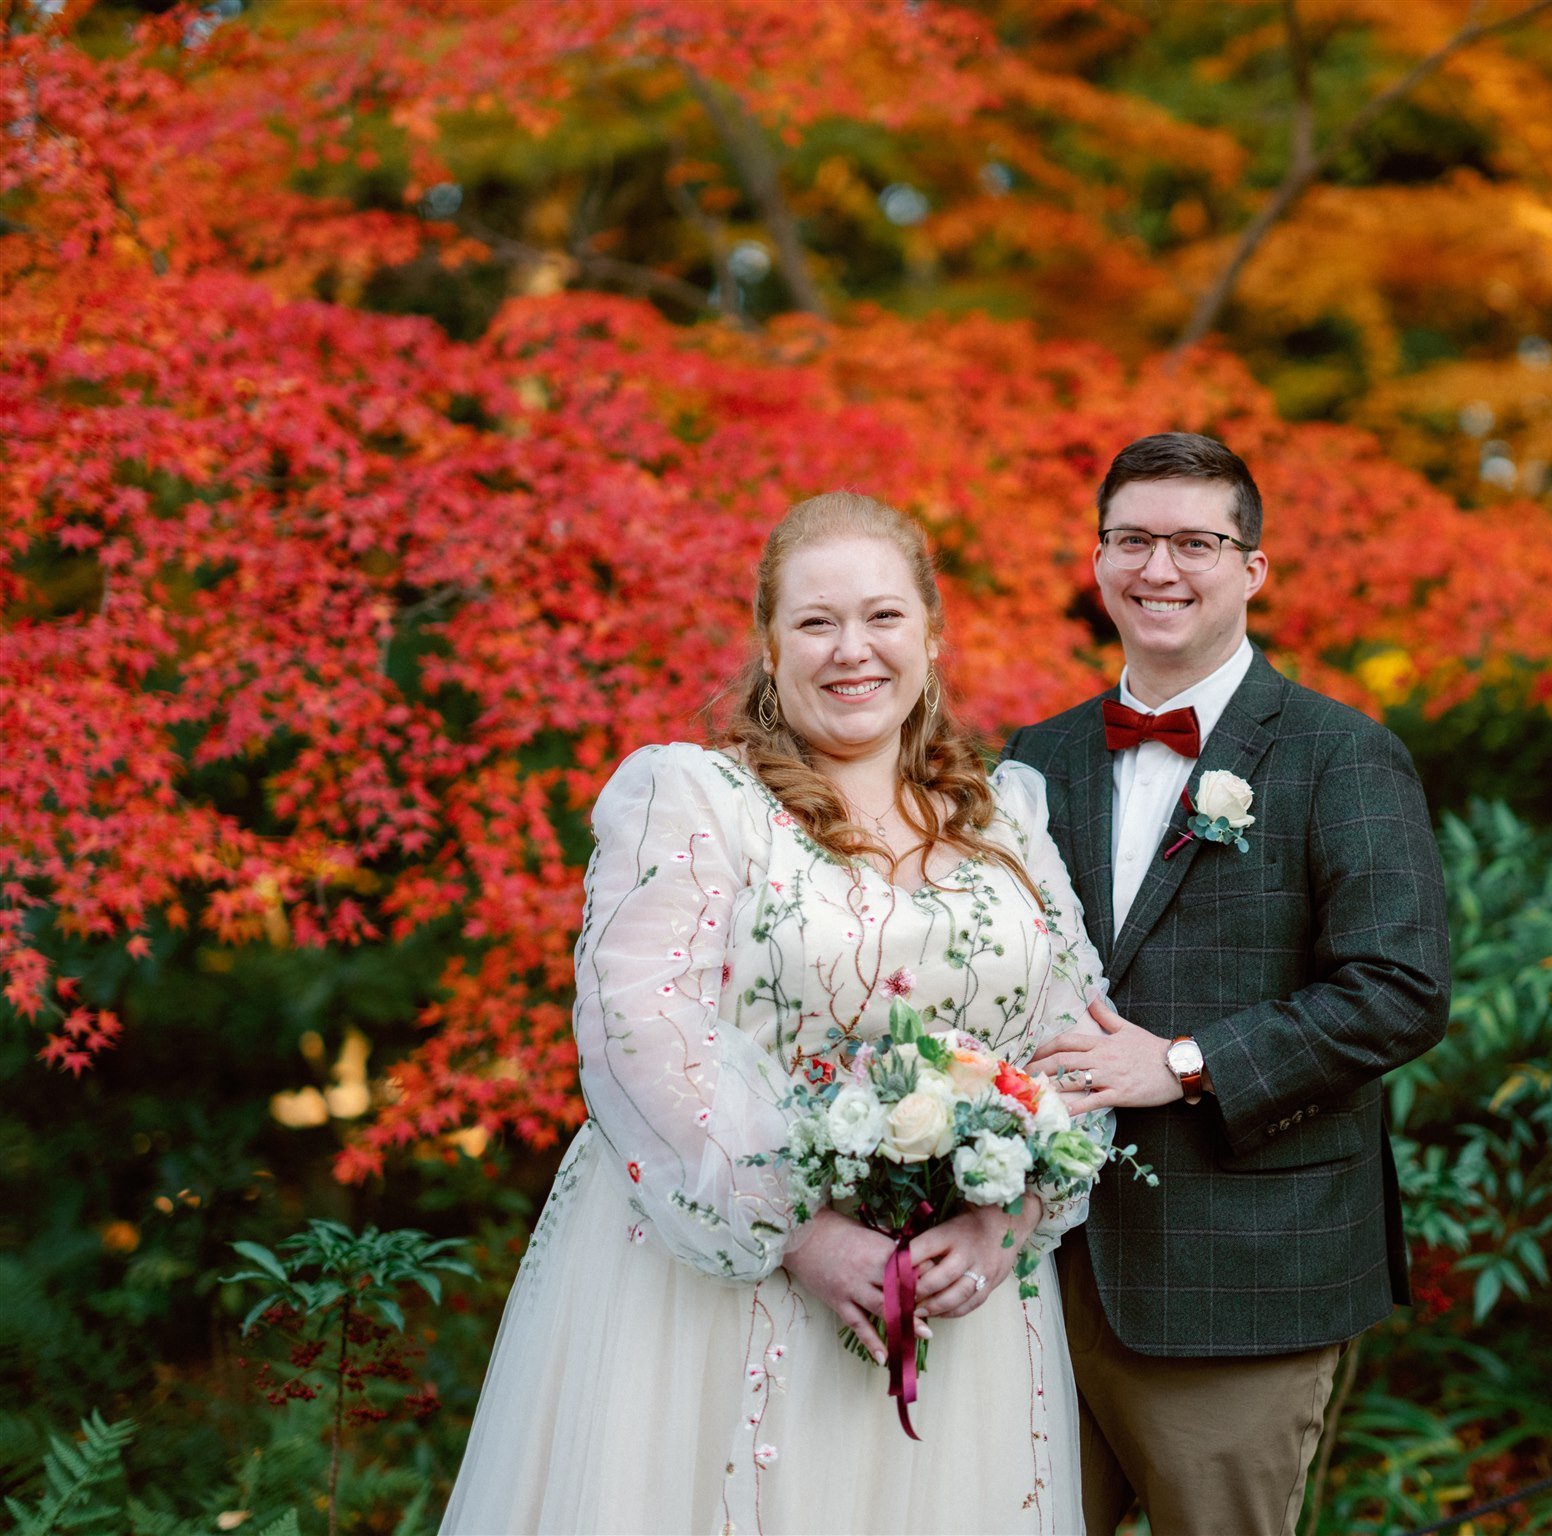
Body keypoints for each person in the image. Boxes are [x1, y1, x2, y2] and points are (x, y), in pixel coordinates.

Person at [442, 491, 1113, 1535]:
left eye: (883, 617)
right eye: (815, 622)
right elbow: (639, 1031)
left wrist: (1005, 1220)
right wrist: (802, 1233)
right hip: (728, 1290)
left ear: (932, 636)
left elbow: (1078, 1044)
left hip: (963, 1306)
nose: (853, 650)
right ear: (768, 644)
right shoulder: (691, 797)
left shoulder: (1007, 817)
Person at [1011, 432, 1452, 1536]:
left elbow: (1398, 988)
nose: (1158, 569)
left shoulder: (1338, 754)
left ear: (1251, 568)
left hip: (1240, 1278)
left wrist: (1182, 1063)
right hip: (1031, 1268)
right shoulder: (1036, 757)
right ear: (1097, 559)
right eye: (1131, 540)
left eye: (1194, 542)